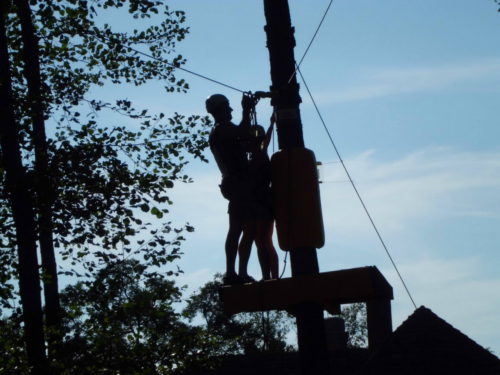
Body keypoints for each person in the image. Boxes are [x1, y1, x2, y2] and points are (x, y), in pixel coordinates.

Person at [206, 93, 256, 285]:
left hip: (236, 183)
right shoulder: (223, 129)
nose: (231, 110)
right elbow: (243, 132)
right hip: (237, 183)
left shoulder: (222, 131)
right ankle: (233, 273)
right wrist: (246, 110)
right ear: (219, 110)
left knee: (248, 228)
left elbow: (245, 141)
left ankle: (239, 272)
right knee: (237, 228)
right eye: (228, 106)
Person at [249, 119, 279, 280]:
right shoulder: (258, 154)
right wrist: (271, 124)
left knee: (263, 240)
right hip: (261, 201)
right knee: (261, 241)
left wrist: (271, 125)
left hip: (262, 201)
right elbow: (265, 142)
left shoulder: (259, 154)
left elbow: (265, 142)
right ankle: (268, 275)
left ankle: (271, 275)